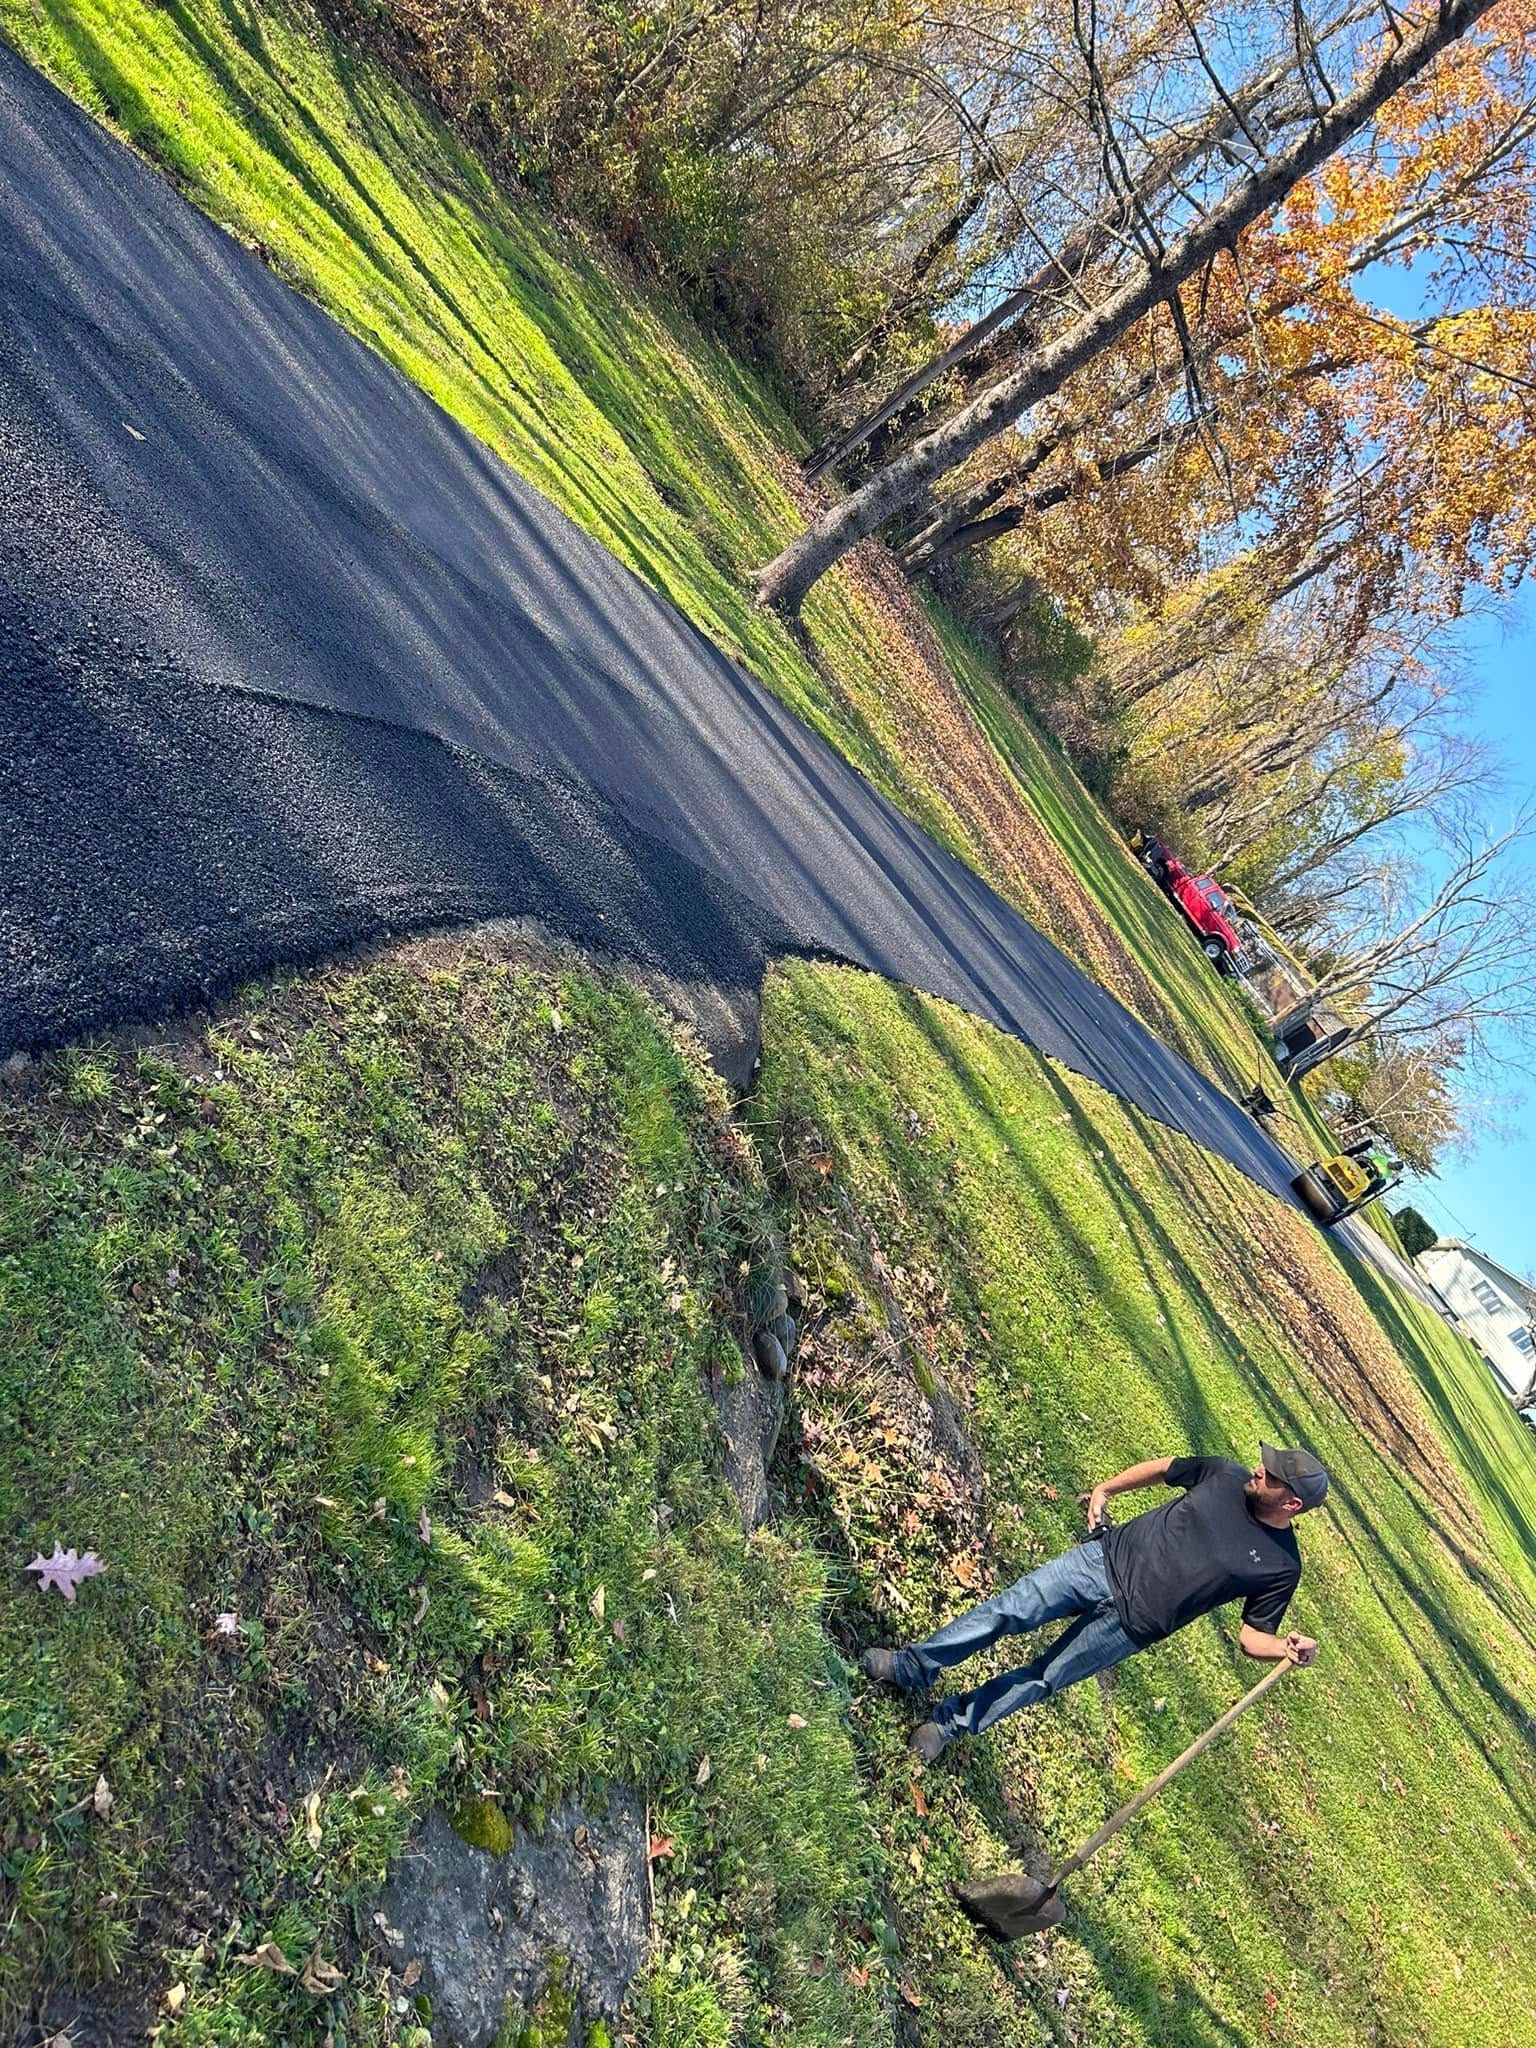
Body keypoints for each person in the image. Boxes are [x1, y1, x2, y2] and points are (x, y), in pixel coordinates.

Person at [862, 1445, 1326, 1760]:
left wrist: (1283, 1649)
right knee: (1006, 1611)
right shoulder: (1225, 1474)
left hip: (1129, 1626)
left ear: (1292, 1505)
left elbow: (1250, 1635)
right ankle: (912, 1666)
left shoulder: (1281, 1566)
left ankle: (948, 1726)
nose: (1260, 1469)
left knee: (1043, 1678)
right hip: (1098, 1562)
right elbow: (1166, 1469)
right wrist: (1106, 1489)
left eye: (1274, 1475)